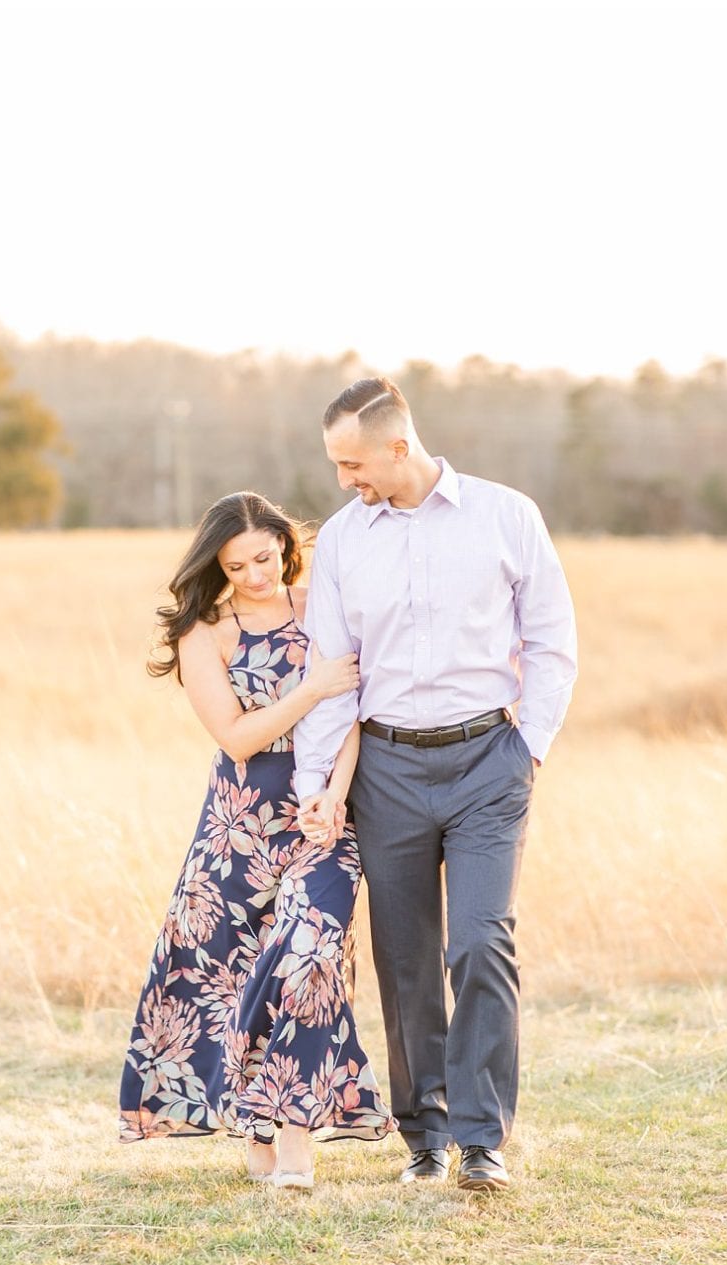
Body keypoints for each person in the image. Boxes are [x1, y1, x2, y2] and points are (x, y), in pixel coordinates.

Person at [292, 376, 577, 1193]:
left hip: (490, 759)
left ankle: (483, 1139)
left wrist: (531, 746)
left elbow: (553, 638)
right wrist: (321, 781)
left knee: (481, 940)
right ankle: (425, 1134)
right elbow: (333, 669)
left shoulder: (506, 515)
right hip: (385, 768)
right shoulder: (345, 540)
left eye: (352, 463)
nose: (345, 480)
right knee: (406, 955)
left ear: (397, 444)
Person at [119, 491, 392, 1187]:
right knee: (233, 973)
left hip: (324, 816)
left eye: (264, 558)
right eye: (237, 566)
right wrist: (311, 690)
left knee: (311, 956)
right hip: (239, 827)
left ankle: (296, 1135)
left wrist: (335, 792)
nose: (255, 575)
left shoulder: (318, 606)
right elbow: (238, 736)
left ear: (283, 543)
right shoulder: (204, 630)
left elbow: (353, 710)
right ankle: (256, 1123)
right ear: (219, 565)